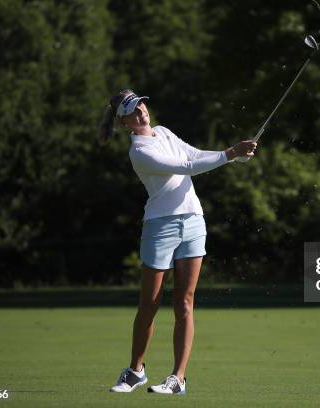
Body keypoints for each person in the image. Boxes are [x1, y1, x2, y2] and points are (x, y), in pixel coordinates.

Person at [97, 89, 256, 395]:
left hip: (193, 222)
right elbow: (184, 168)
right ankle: (135, 371)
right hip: (161, 227)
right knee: (149, 304)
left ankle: (178, 378)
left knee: (185, 302)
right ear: (124, 121)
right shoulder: (139, 152)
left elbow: (193, 156)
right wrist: (230, 154)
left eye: (141, 103)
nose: (142, 110)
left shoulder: (164, 132)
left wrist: (232, 157)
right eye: (133, 108)